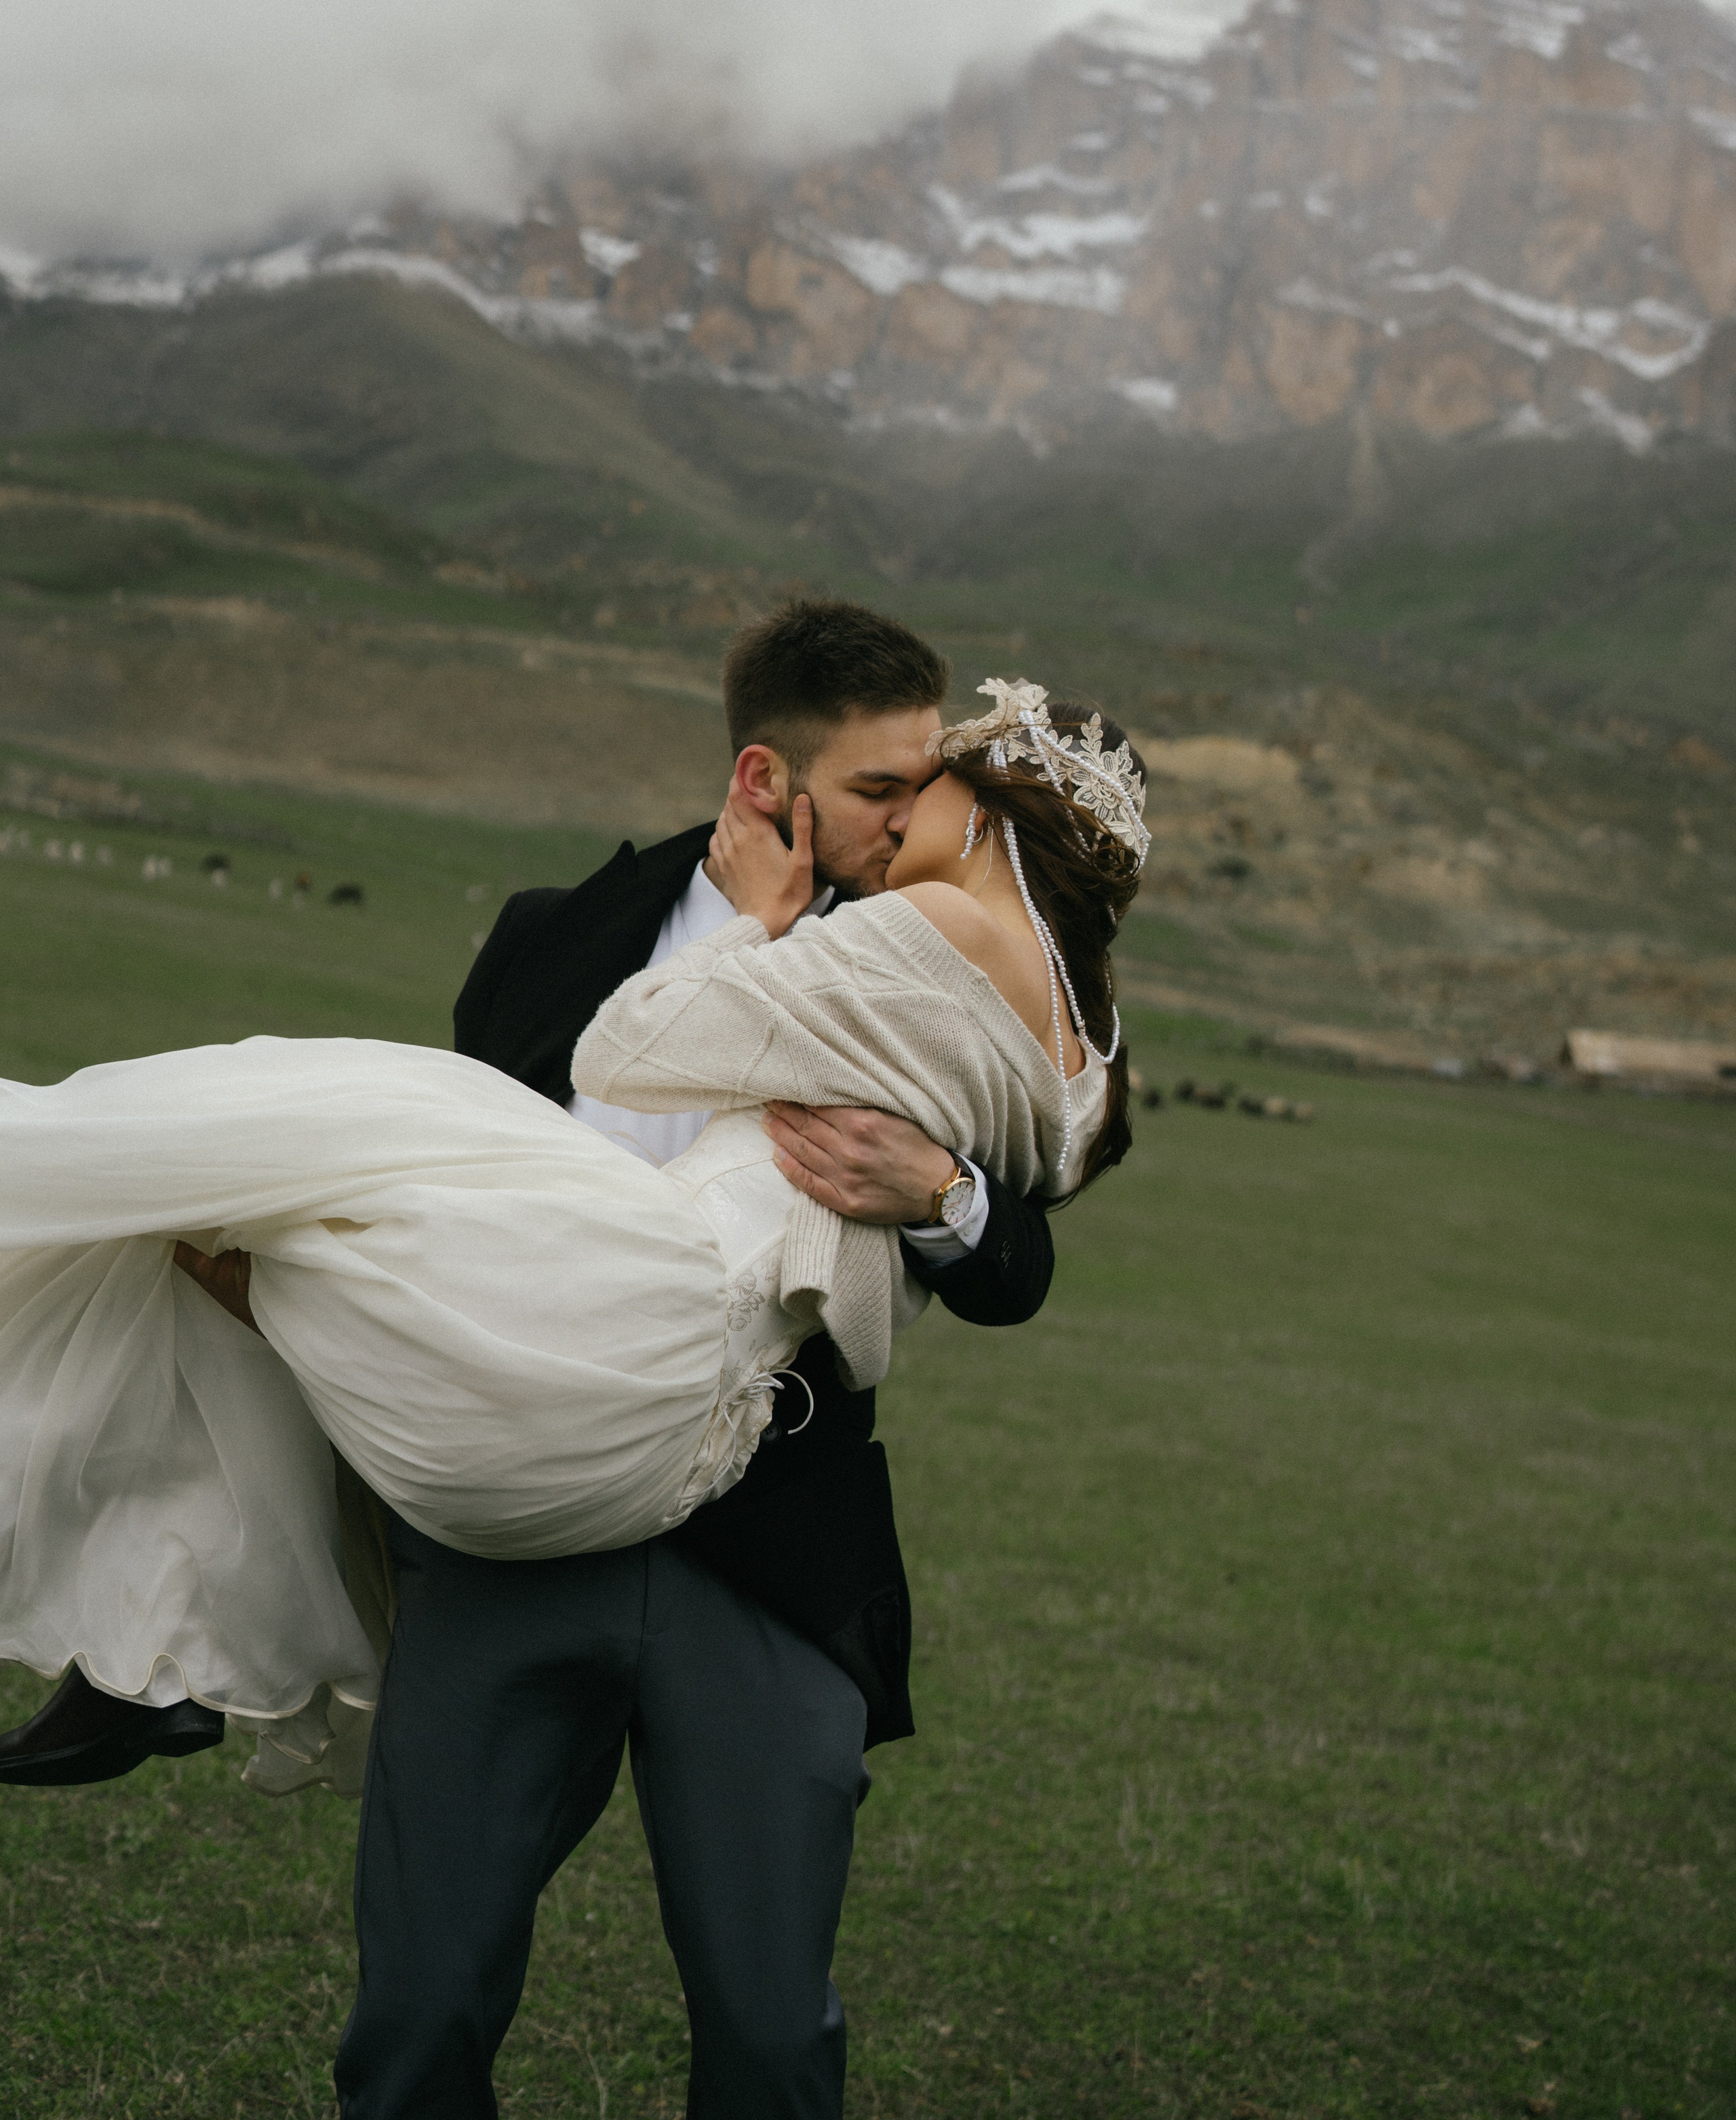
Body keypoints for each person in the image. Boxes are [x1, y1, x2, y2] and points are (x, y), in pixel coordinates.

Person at [0, 616, 1147, 2120]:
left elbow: (1023, 1258)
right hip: (511, 1544)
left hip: (764, 1557)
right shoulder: (553, 935)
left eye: (916, 788)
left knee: (769, 2028)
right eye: (877, 788)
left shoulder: (918, 949)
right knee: (421, 2003)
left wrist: (943, 1192)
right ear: (768, 780)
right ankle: (158, 1644)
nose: (896, 822)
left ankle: (165, 1653)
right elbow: (450, 1227)